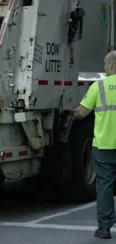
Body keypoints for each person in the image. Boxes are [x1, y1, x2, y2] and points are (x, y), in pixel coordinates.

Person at [70, 50, 116, 239]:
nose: (104, 67)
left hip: (104, 144)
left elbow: (82, 112)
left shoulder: (100, 87)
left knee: (105, 185)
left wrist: (71, 115)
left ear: (112, 66)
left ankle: (104, 228)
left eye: (105, 64)